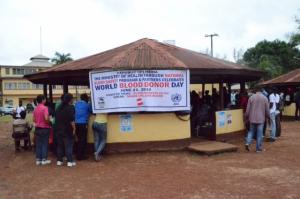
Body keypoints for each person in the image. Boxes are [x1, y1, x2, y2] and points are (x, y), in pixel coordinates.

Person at [245, 87, 270, 152]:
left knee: (251, 131)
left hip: (252, 118)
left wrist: (246, 116)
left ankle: (247, 142)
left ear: (255, 91)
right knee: (259, 134)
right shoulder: (265, 98)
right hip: (261, 119)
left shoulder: (251, 98)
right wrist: (268, 116)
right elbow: (267, 110)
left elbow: (247, 110)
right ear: (262, 91)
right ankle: (258, 149)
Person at [55, 93, 76, 167]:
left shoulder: (58, 108)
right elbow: (72, 121)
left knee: (60, 146)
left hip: (58, 130)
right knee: (68, 146)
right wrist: (74, 129)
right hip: (67, 130)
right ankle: (70, 161)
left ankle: (59, 161)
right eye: (72, 98)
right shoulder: (70, 108)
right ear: (70, 100)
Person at [33, 95, 51, 165]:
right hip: (44, 128)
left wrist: (38, 121)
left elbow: (33, 119)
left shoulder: (35, 109)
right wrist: (49, 122)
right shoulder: (45, 108)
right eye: (45, 99)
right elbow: (46, 118)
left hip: (37, 128)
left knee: (38, 144)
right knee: (44, 144)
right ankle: (44, 159)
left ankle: (38, 159)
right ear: (43, 100)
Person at [75, 93, 92, 160]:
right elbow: (92, 111)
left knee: (79, 139)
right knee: (83, 140)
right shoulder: (87, 105)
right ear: (86, 98)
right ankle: (80, 156)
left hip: (76, 123)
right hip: (83, 124)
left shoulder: (76, 104)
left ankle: (78, 154)